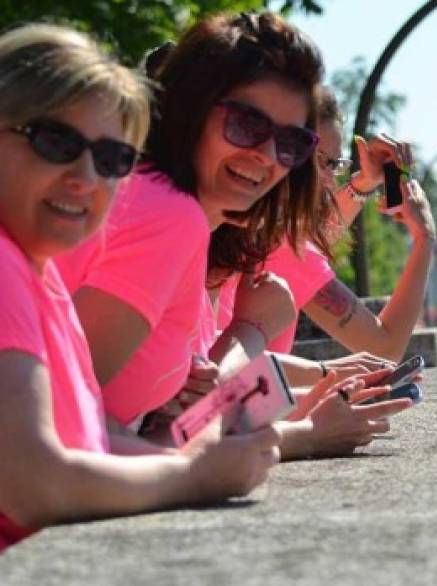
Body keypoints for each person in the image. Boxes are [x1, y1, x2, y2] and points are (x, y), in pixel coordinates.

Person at [60, 12, 409, 458]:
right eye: (246, 125)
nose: (266, 157)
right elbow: (61, 431)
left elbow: (178, 425)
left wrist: (315, 384)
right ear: (191, 111)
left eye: (291, 144)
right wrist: (298, 433)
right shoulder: (167, 218)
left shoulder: (186, 222)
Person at [0, 23, 279, 551]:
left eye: (112, 159)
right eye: (55, 141)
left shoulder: (39, 274)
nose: (86, 177)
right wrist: (194, 478)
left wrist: (192, 464)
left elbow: (85, 441)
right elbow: (31, 483)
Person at [214, 85, 435, 384]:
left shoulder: (246, 223)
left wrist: (364, 184)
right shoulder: (280, 243)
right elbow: (385, 348)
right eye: (321, 161)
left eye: (336, 164)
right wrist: (424, 239)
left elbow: (307, 244)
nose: (330, 180)